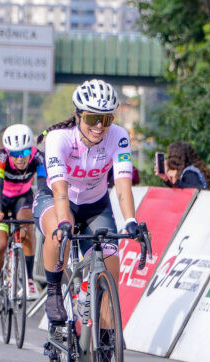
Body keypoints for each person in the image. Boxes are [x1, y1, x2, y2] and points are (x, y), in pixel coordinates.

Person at [33, 79, 137, 325]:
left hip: (95, 205)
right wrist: (63, 223)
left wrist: (131, 220)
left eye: (107, 119)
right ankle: (53, 291)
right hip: (57, 198)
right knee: (60, 233)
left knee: (111, 266)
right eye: (92, 118)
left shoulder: (119, 136)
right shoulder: (59, 138)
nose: (100, 126)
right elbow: (60, 188)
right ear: (77, 115)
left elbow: (123, 182)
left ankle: (106, 338)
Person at [0, 124, 45, 316]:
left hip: (22, 197)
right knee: (0, 245)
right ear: (8, 152)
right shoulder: (0, 157)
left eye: (25, 152)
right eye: (15, 154)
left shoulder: (38, 157)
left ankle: (28, 278)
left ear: (31, 150)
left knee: (27, 227)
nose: (20, 158)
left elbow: (43, 186)